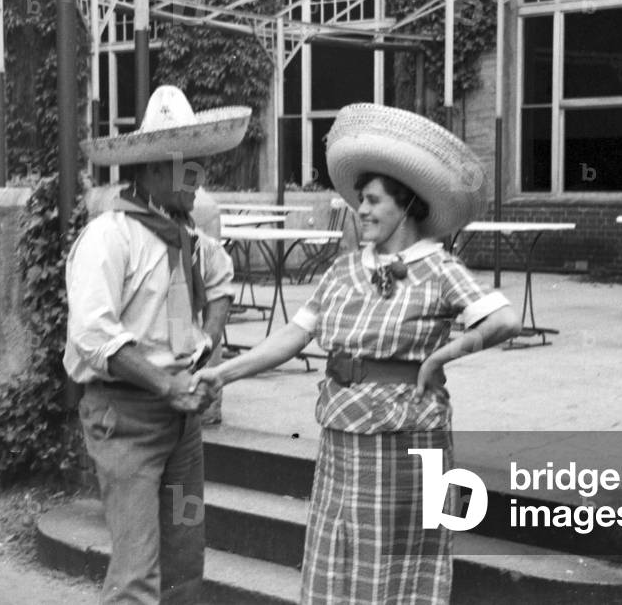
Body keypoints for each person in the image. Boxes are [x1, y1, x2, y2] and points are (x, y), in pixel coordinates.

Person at [195, 103, 521, 604]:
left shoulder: (437, 267)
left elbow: (503, 320)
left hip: (406, 435)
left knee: (399, 552)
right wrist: (225, 373)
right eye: (360, 201)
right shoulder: (344, 270)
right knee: (340, 546)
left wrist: (442, 357)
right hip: (343, 433)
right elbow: (293, 335)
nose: (361, 211)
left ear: (406, 205)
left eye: (373, 201)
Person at [64, 85, 250, 604]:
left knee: (184, 559)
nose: (197, 179)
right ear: (149, 171)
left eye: (198, 167)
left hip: (182, 429)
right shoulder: (110, 237)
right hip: (126, 424)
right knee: (137, 570)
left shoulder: (189, 238)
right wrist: (167, 385)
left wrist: (205, 346)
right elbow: (93, 336)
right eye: (185, 168)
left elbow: (221, 283)